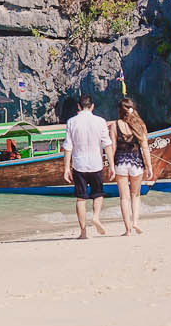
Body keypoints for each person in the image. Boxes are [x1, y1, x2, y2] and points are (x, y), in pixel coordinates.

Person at [63, 93, 111, 239]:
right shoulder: (100, 121)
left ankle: (83, 233)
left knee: (81, 199)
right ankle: (96, 217)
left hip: (79, 164)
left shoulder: (71, 122)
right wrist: (112, 165)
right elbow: (107, 144)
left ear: (79, 106)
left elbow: (68, 147)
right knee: (98, 194)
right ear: (92, 106)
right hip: (96, 163)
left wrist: (66, 168)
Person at [111, 99, 154, 235]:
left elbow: (113, 147)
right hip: (136, 162)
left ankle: (128, 229)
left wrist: (111, 166)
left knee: (124, 198)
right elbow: (145, 147)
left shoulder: (115, 125)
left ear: (120, 110)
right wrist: (149, 166)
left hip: (120, 163)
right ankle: (135, 223)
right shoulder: (139, 124)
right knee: (135, 195)